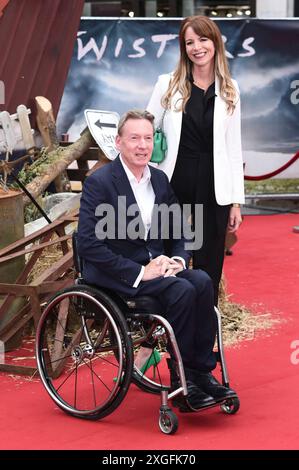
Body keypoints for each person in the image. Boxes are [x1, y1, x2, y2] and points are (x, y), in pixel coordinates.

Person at [77, 109, 236, 410]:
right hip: (119, 276)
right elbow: (87, 243)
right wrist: (140, 272)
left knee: (201, 280)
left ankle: (200, 373)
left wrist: (177, 258)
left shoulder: (159, 180)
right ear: (119, 142)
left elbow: (180, 230)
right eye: (134, 138)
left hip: (159, 269)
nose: (142, 145)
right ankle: (184, 378)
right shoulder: (101, 183)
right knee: (182, 290)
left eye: (148, 138)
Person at [147, 15, 245, 306]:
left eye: (202, 39)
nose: (196, 47)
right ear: (183, 48)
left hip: (215, 188)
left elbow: (234, 148)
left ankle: (205, 335)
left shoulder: (230, 89)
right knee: (167, 260)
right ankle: (160, 335)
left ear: (214, 43)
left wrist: (236, 201)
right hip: (173, 183)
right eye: (189, 42)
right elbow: (147, 128)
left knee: (209, 266)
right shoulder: (168, 84)